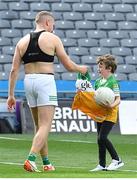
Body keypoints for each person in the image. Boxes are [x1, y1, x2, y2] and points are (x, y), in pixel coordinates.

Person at [7, 11, 87, 172]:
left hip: (28, 81)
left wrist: (11, 95)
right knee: (45, 125)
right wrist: (82, 69)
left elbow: (13, 71)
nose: (53, 28)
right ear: (48, 23)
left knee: (39, 126)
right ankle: (31, 158)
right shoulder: (52, 39)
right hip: (45, 81)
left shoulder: (21, 42)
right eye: (53, 25)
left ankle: (46, 163)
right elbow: (69, 66)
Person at [90, 54, 124, 171]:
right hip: (100, 114)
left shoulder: (113, 82)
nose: (98, 69)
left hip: (110, 114)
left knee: (102, 137)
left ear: (109, 68)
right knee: (99, 139)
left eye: (101, 67)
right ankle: (102, 164)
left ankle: (117, 159)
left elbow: (118, 99)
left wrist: (111, 106)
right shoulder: (98, 82)